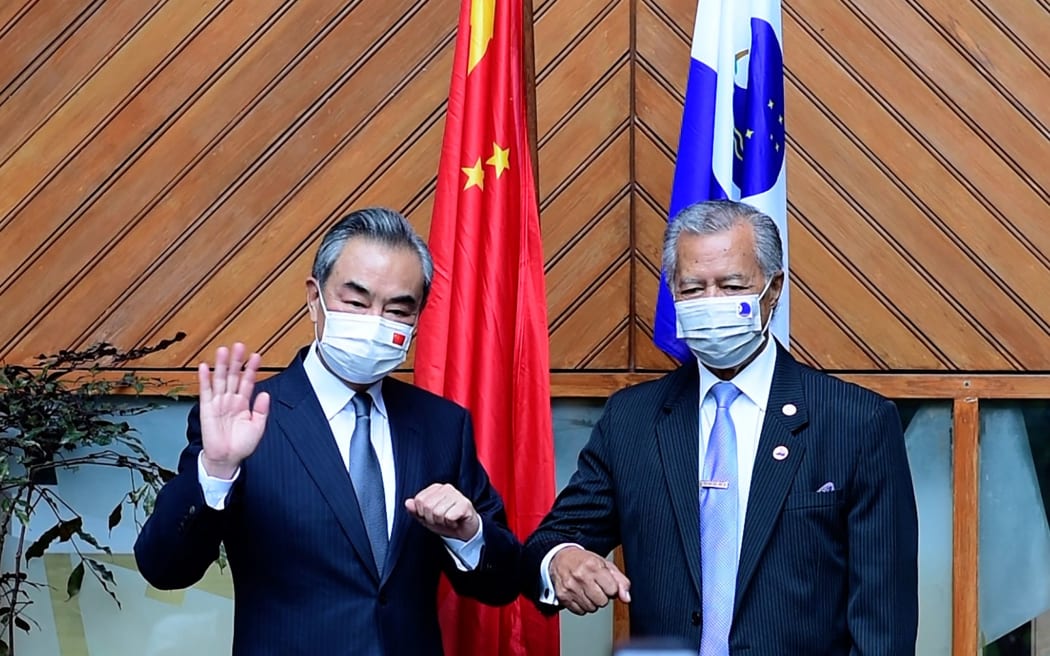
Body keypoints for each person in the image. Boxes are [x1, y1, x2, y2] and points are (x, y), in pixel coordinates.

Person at [522, 200, 918, 654]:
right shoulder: (631, 420)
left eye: (732, 285)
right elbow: (549, 542)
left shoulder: (855, 422)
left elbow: (883, 622)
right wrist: (562, 559)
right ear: (672, 291)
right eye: (693, 288)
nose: (712, 303)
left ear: (773, 291)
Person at [135, 207, 520, 656]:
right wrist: (217, 470)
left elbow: (504, 582)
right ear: (314, 298)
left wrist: (469, 532)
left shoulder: (441, 425)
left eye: (397, 309)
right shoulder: (247, 418)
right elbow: (164, 568)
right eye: (356, 303)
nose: (375, 321)